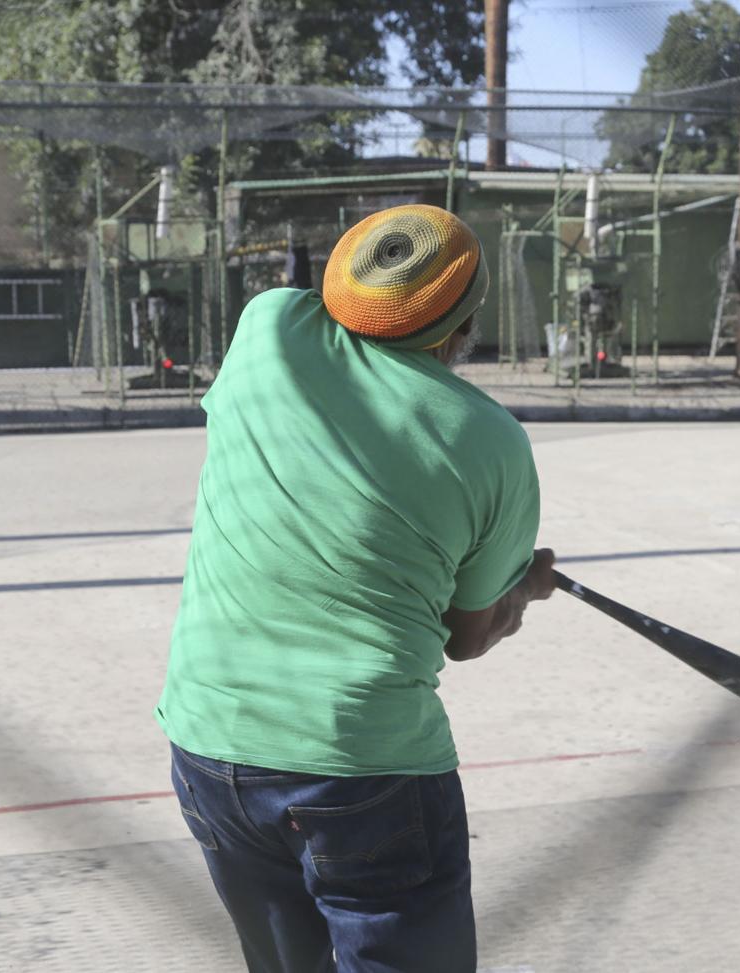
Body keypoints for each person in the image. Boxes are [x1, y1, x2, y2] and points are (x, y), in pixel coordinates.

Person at [155, 203, 555, 973]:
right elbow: (466, 635)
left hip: (208, 741)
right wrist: (523, 591)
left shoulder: (267, 328)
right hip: (364, 768)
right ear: (463, 328)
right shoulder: (489, 438)